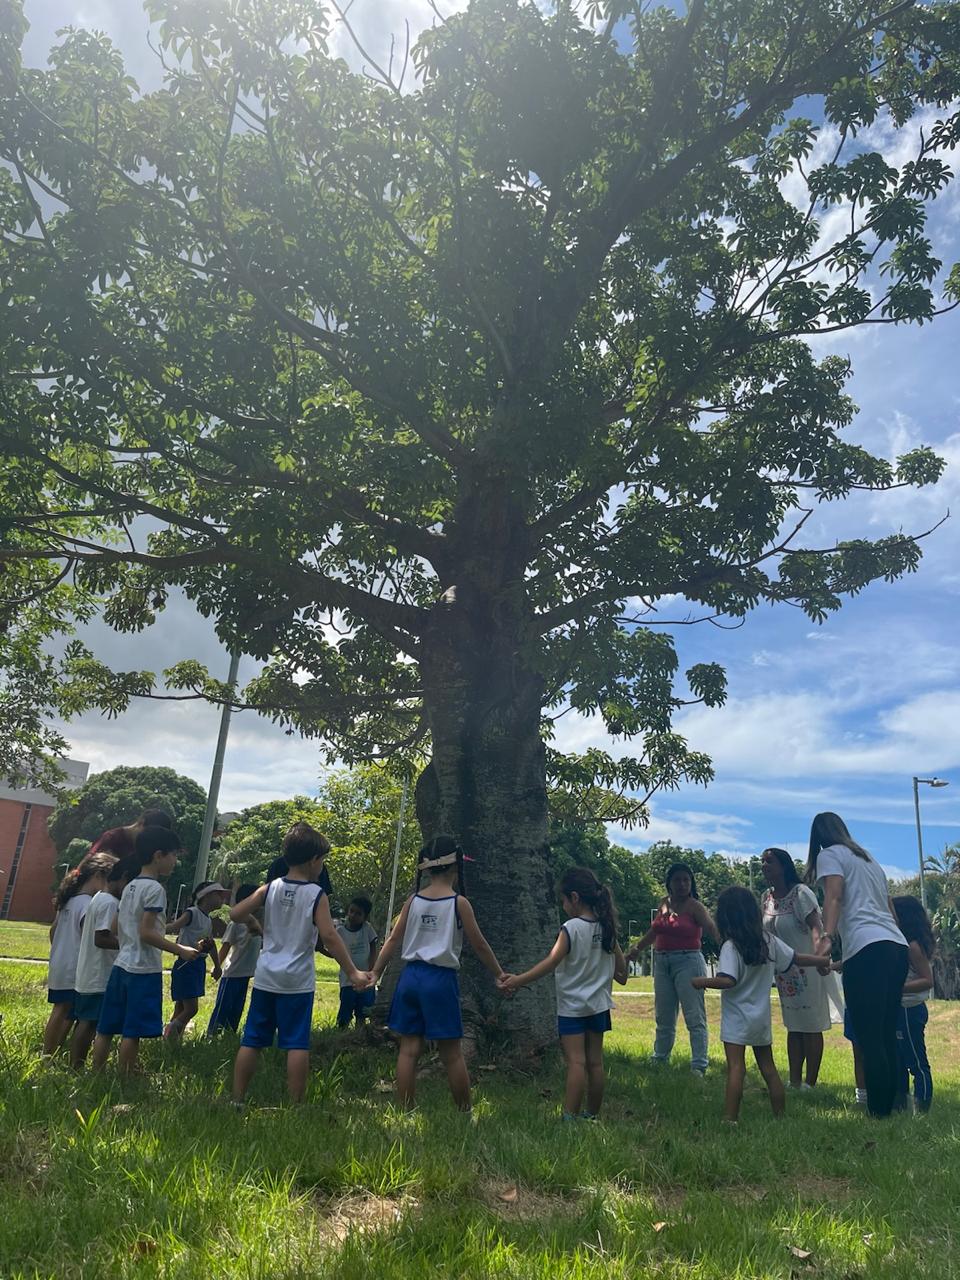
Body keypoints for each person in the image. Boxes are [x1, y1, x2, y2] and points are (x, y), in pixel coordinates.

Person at [230, 823, 371, 1105]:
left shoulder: (270, 888)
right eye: (323, 860)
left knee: (252, 1040)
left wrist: (255, 920)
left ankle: (237, 1098)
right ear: (314, 860)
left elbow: (235, 913)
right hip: (297, 981)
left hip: (266, 976)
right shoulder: (316, 895)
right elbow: (329, 936)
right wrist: (353, 971)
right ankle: (296, 1104)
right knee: (296, 1043)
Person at [370, 834, 506, 1112]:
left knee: (408, 1050)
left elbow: (393, 940)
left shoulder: (413, 901)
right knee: (452, 1054)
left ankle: (406, 1111)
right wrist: (499, 973)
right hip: (440, 980)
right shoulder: (459, 903)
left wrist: (375, 971)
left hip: (410, 978)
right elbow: (479, 944)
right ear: (456, 867)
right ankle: (465, 1112)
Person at [498, 867, 628, 1120]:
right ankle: (591, 1114)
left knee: (576, 1063)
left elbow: (550, 962)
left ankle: (569, 1116)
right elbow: (621, 972)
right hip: (598, 1007)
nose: (564, 905)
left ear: (575, 898)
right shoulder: (607, 929)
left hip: (572, 1007)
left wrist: (517, 980)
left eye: (564, 900)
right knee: (595, 1063)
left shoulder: (570, 928)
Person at [692, 886, 825, 1122]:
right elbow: (795, 958)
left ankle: (730, 1118)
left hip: (736, 1021)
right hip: (761, 1019)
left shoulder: (730, 947)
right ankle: (780, 1117)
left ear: (725, 917)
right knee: (769, 1069)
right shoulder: (768, 941)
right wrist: (821, 960)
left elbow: (728, 980)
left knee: (736, 1068)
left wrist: (702, 981)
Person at [808, 812, 908, 1118]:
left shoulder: (830, 855)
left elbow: (834, 897)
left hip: (866, 949)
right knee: (887, 1031)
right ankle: (895, 1104)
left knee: (869, 1036)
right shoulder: (868, 859)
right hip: (896, 946)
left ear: (817, 836)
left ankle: (878, 1113)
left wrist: (827, 936)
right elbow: (890, 908)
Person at [92, 827, 200, 1075]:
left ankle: (96, 1073)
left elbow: (116, 926)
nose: (176, 861)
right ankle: (126, 1077)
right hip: (143, 969)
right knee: (133, 1031)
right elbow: (147, 932)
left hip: (121, 965)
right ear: (158, 855)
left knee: (107, 1027)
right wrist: (179, 949)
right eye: (173, 855)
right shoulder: (155, 890)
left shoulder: (129, 887)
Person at [626, 863, 718, 1076]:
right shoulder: (663, 904)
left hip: (688, 961)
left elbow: (712, 928)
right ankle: (660, 1058)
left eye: (686, 880)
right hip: (662, 961)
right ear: (669, 883)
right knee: (664, 1015)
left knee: (694, 1016)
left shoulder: (695, 907)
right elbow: (655, 931)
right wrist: (637, 948)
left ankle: (698, 1065)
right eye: (677, 880)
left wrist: (730, 947)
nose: (682, 884)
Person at [760, 846, 831, 1089]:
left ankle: (809, 1083)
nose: (764, 866)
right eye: (763, 862)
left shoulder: (801, 893)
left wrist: (821, 955)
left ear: (783, 866)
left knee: (810, 1024)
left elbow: (816, 926)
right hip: (784, 973)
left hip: (809, 969)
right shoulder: (766, 898)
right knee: (794, 1023)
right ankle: (794, 1081)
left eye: (769, 861)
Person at [43, 852, 117, 1057]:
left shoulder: (70, 900)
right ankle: (49, 1055)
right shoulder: (88, 904)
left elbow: (53, 931)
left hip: (60, 963)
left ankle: (51, 1053)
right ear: (98, 876)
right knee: (65, 1013)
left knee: (63, 1011)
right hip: (75, 967)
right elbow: (93, 937)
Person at [70, 855, 136, 1069]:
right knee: (89, 1023)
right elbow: (101, 937)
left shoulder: (99, 896)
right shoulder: (109, 903)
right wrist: (129, 942)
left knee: (87, 1022)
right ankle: (77, 1066)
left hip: (90, 971)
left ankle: (77, 1065)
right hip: (99, 973)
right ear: (123, 877)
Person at [164, 881, 229, 1039]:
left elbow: (211, 944)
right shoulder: (192, 913)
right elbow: (173, 927)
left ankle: (172, 1041)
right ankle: (169, 1032)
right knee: (192, 1008)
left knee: (181, 1008)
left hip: (197, 965)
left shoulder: (207, 920)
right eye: (218, 895)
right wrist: (154, 929)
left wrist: (217, 965)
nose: (223, 899)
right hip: (187, 965)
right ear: (206, 896)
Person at [892, 895, 935, 1114]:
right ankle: (901, 1106)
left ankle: (922, 1108)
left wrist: (897, 989)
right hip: (899, 1008)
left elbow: (927, 980)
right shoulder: (901, 943)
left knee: (916, 1062)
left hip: (910, 1009)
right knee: (898, 1061)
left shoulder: (913, 947)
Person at [207, 884, 263, 1036]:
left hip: (246, 973)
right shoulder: (236, 923)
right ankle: (211, 1035)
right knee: (223, 1008)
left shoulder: (257, 923)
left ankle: (230, 1035)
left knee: (237, 1008)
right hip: (232, 973)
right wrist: (217, 967)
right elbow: (225, 947)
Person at [333, 897, 379, 1029]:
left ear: (365, 917)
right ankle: (342, 1031)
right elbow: (334, 951)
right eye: (351, 911)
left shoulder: (367, 929)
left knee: (363, 1011)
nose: (353, 915)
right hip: (347, 980)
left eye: (358, 913)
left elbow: (373, 946)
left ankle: (360, 1033)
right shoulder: (340, 931)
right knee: (345, 1009)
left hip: (366, 979)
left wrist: (372, 968)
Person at [90, 808, 173, 858]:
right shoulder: (112, 838)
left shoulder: (142, 850)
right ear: (141, 823)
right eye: (150, 836)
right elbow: (89, 863)